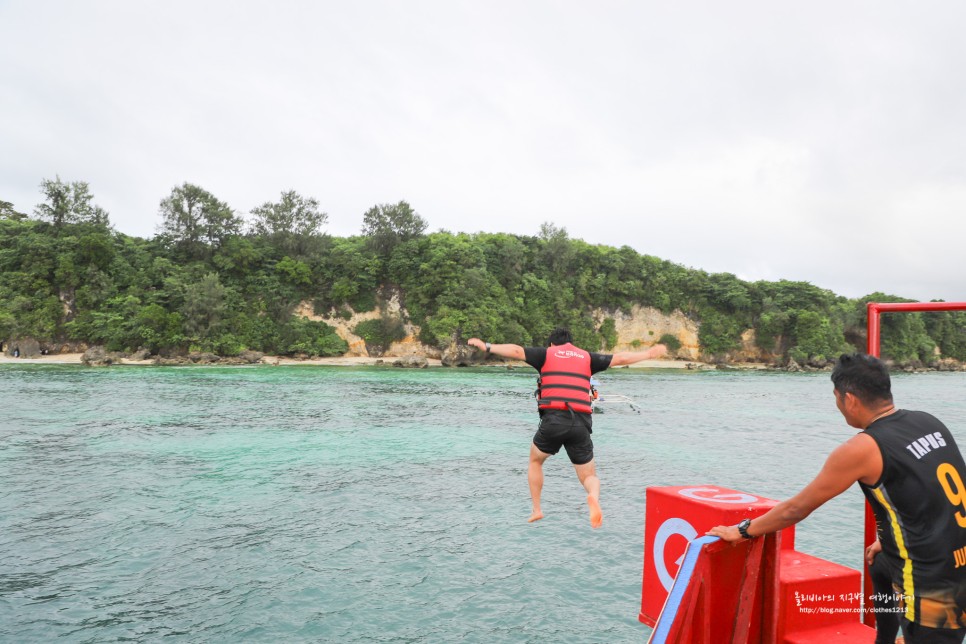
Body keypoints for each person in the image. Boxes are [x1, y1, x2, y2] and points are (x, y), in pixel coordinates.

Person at [708, 353, 966, 644]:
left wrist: (742, 530)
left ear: (850, 399)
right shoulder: (927, 421)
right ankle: (887, 638)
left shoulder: (863, 448)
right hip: (958, 555)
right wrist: (891, 537)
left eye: (836, 398)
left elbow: (796, 509)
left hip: (933, 585)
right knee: (880, 560)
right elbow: (938, 490)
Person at [467, 328, 667, 528]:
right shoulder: (588, 358)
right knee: (589, 476)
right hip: (581, 424)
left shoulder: (546, 354)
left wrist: (488, 346)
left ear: (552, 344)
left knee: (535, 461)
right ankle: (593, 497)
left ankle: (537, 509)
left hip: (554, 420)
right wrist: (649, 354)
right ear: (571, 343)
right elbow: (621, 358)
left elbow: (517, 351)